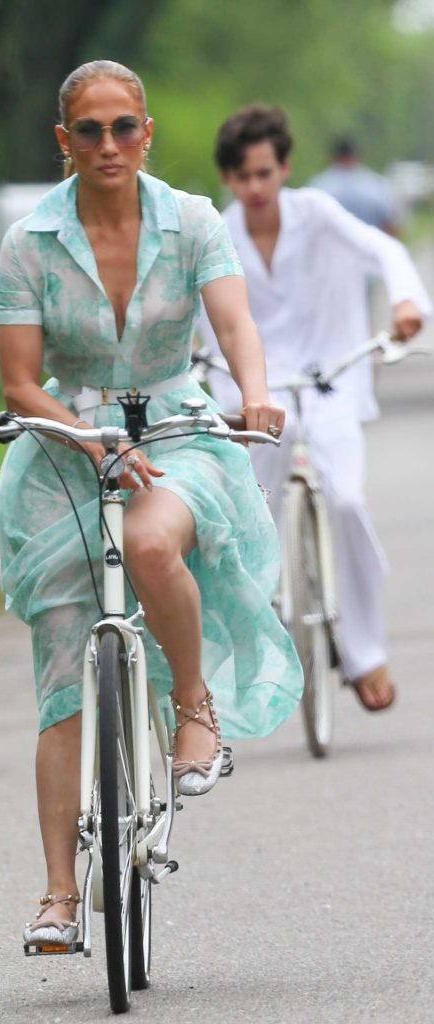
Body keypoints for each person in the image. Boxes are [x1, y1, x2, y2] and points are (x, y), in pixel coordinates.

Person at [0, 64, 303, 947]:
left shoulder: (194, 220)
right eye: (88, 131)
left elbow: (236, 325)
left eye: (123, 127)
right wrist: (90, 438)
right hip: (68, 442)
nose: (107, 146)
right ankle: (58, 895)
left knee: (155, 541)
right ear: (64, 141)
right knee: (62, 684)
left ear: (148, 132)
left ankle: (195, 707)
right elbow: (19, 381)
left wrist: (255, 390)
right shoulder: (30, 240)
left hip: (176, 428)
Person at [198, 104, 431, 716]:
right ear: (227, 178)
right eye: (242, 177)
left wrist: (407, 303)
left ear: (285, 169)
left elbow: (383, 249)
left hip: (329, 379)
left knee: (348, 499)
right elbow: (203, 320)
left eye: (264, 174)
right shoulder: (216, 234)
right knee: (251, 528)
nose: (255, 188)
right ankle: (254, 655)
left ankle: (365, 651)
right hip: (253, 394)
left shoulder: (319, 214)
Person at [309, 136, 400, 234]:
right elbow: (391, 225)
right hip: (369, 245)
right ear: (358, 156)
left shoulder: (318, 186)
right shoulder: (377, 185)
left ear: (332, 157)